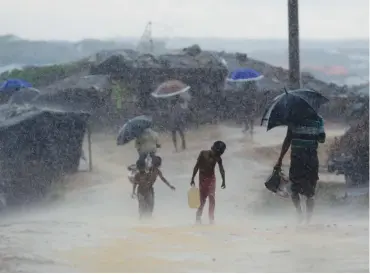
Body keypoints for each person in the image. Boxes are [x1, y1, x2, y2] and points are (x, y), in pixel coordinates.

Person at [274, 115, 326, 224]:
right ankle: (306, 219)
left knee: (296, 189)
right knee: (308, 192)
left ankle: (301, 216)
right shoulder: (318, 119)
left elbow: (288, 140)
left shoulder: (294, 119)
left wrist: (280, 159)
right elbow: (322, 139)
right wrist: (316, 133)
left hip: (298, 159)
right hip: (310, 160)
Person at [190, 141, 226, 224]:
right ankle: (198, 217)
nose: (216, 156)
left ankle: (211, 218)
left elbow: (221, 169)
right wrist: (192, 178)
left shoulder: (218, 158)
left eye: (218, 154)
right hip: (202, 178)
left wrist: (223, 180)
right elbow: (196, 166)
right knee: (202, 200)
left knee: (212, 197)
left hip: (211, 178)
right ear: (213, 149)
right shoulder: (203, 153)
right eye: (216, 153)